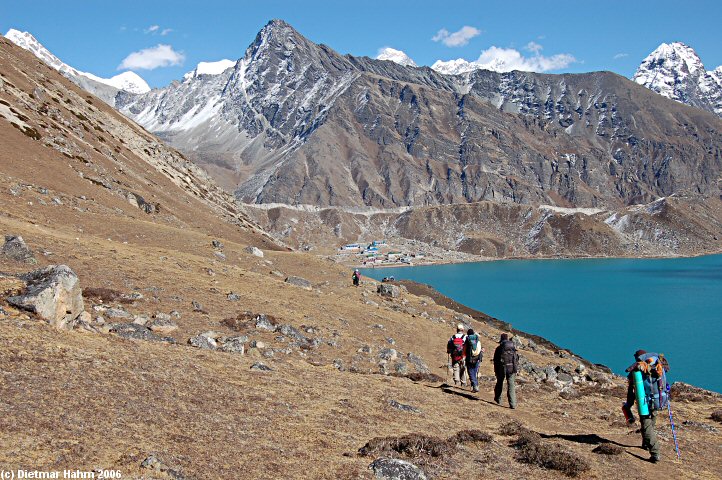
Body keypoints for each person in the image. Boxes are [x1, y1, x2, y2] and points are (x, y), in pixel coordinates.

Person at [623, 349, 669, 463]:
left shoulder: (637, 370)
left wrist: (628, 405)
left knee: (646, 426)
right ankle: (646, 444)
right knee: (651, 424)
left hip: (645, 402)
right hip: (659, 400)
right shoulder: (659, 364)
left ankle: (655, 453)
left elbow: (631, 391)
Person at [493, 333, 518, 408]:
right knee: (511, 385)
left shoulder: (499, 348)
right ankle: (513, 404)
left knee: (500, 382)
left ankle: (498, 399)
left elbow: (496, 361)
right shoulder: (512, 347)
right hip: (511, 368)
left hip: (502, 368)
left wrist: (496, 370)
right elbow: (516, 359)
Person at [465, 328, 485, 392]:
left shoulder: (467, 339)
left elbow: (465, 349)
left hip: (469, 359)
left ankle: (475, 386)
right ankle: (475, 386)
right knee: (474, 372)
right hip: (477, 358)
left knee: (471, 372)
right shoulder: (477, 340)